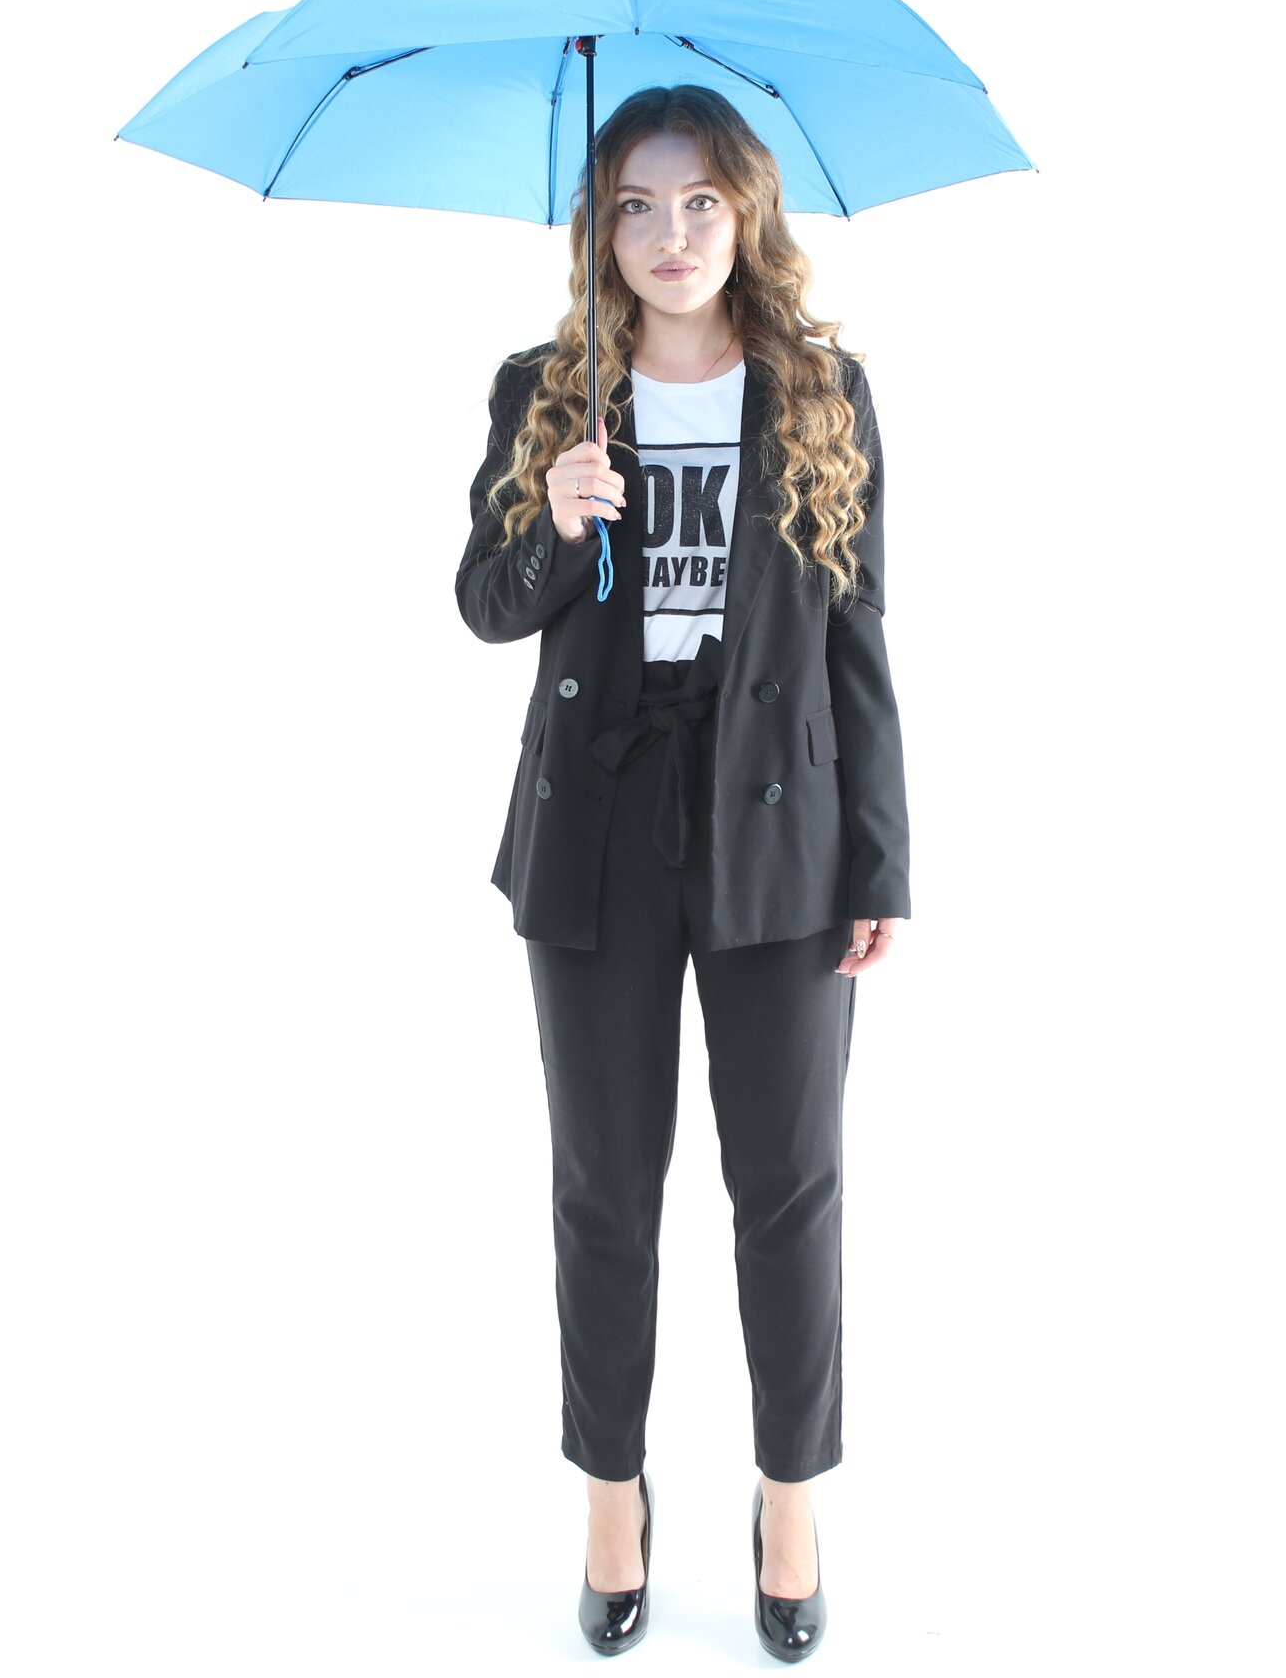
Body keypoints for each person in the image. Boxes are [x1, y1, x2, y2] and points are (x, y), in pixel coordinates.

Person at [454, 84, 911, 1660]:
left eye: (701, 201)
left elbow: (860, 641)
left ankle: (790, 1500)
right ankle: (611, 1497)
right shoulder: (547, 391)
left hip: (782, 825)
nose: (671, 234)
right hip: (597, 825)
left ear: (747, 213)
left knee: (790, 1185)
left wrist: (882, 860)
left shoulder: (823, 392)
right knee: (604, 1187)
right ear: (601, 226)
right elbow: (485, 606)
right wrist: (554, 522)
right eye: (638, 205)